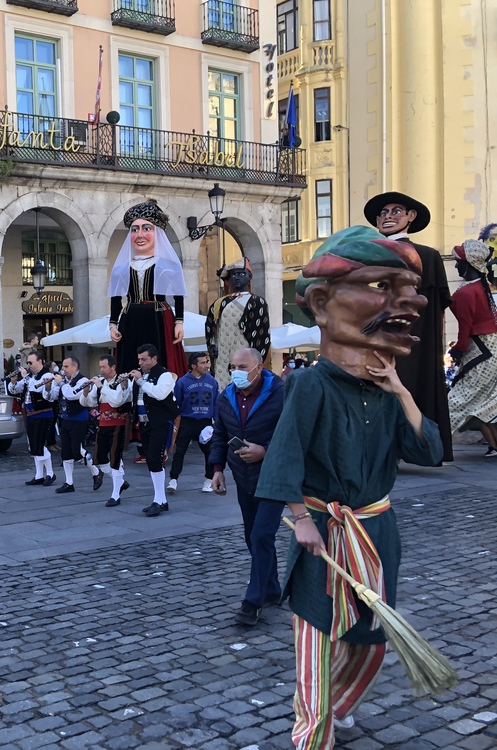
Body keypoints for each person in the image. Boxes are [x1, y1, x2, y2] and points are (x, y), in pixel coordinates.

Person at [255, 226, 443, 749]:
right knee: (314, 637)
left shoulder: (386, 391)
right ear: (321, 302)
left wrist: (402, 390)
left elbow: (427, 451)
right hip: (326, 533)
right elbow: (287, 455)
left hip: (378, 532)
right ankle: (311, 738)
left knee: (372, 640)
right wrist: (304, 521)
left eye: (409, 290)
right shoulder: (310, 383)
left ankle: (338, 706)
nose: (407, 303)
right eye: (382, 286)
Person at [365, 191, 453, 462]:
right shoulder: (366, 254)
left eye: (395, 211)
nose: (387, 217)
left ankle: (415, 445)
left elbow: (435, 308)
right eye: (383, 213)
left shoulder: (427, 256)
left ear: (410, 217)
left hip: (411, 340)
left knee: (407, 387)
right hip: (372, 337)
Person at [209, 348, 285, 627]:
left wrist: (265, 450)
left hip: (274, 476)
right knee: (252, 535)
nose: (236, 371)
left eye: (243, 366)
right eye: (233, 366)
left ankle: (252, 602)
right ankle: (272, 588)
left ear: (259, 367)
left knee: (262, 535)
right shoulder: (226, 396)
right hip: (243, 475)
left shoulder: (280, 392)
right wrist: (217, 469)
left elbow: (292, 433)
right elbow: (220, 435)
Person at [109, 199, 188, 377]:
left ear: (157, 232)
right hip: (130, 320)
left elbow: (178, 295)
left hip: (159, 317)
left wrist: (179, 322)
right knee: (130, 361)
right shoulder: (121, 268)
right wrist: (113, 324)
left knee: (161, 360)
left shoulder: (169, 265)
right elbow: (116, 298)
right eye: (134, 229)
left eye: (147, 228)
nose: (140, 234)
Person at [447, 240, 497, 456]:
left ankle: (430, 440)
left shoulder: (468, 292)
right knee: (482, 400)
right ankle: (494, 446)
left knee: (457, 398)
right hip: (488, 347)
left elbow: (465, 327)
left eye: (458, 262)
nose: (456, 265)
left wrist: (458, 349)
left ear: (468, 265)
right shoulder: (478, 287)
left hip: (481, 349)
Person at [205, 258, 271, 390]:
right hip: (222, 356)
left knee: (245, 386)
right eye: (234, 274)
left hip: (245, 352)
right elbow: (210, 326)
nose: (236, 278)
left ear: (249, 276)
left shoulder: (257, 302)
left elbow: (261, 334)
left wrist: (256, 359)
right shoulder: (220, 303)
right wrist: (211, 343)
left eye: (241, 274)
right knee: (222, 388)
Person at [129, 344, 179, 516]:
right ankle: (161, 500)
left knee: (155, 459)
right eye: (139, 359)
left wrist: (141, 381)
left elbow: (159, 394)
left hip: (160, 422)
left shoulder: (165, 375)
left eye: (144, 359)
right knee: (150, 460)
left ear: (154, 359)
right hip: (144, 423)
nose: (140, 362)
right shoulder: (141, 376)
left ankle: (159, 500)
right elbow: (133, 397)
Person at [80, 355, 132, 506]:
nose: (101, 370)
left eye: (104, 367)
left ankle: (115, 494)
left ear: (113, 367)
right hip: (103, 424)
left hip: (119, 424)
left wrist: (100, 387)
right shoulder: (100, 383)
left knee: (115, 458)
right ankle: (120, 481)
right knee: (99, 458)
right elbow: (89, 402)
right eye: (100, 367)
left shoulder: (122, 382)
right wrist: (85, 392)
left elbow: (117, 401)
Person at [169, 352, 220, 494]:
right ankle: (174, 479)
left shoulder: (212, 381)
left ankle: (208, 480)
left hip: (205, 422)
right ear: (193, 365)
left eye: (207, 362)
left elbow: (216, 402)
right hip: (187, 421)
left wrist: (215, 423)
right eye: (202, 362)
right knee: (180, 451)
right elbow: (176, 402)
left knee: (209, 452)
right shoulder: (182, 382)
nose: (206, 365)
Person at [7, 351, 57, 486]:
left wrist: (25, 377)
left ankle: (51, 473)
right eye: (27, 363)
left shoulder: (46, 375)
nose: (28, 365)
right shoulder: (30, 376)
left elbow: (38, 389)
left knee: (40, 443)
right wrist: (13, 382)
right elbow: (15, 390)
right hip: (30, 414)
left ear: (40, 361)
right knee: (34, 445)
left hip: (42, 413)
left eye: (30, 362)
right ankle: (39, 474)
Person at [48, 357, 90, 494]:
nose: (63, 369)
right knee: (66, 452)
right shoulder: (64, 381)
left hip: (79, 419)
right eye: (63, 367)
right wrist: (49, 387)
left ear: (75, 366)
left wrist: (60, 384)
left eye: (66, 367)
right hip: (65, 419)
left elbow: (72, 395)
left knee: (77, 450)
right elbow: (52, 397)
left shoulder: (83, 381)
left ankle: (96, 472)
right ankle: (69, 482)